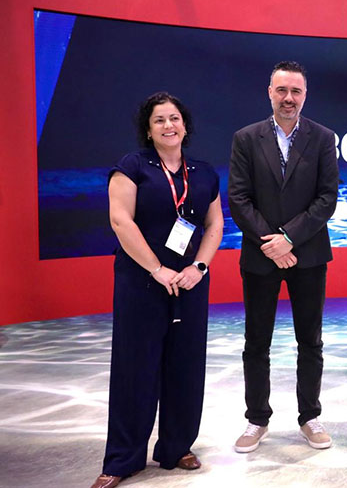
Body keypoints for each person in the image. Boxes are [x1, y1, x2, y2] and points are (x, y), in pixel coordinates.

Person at [93, 92, 223, 488]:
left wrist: (199, 266)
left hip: (189, 284)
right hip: (142, 283)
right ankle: (122, 459)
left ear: (185, 125)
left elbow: (214, 225)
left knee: (185, 367)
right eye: (159, 120)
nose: (169, 125)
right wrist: (158, 269)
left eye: (175, 118)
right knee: (136, 369)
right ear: (148, 131)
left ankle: (176, 446)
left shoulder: (202, 173)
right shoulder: (132, 167)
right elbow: (121, 222)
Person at [228, 61, 339, 452]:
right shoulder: (246, 138)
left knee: (310, 341)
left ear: (305, 95)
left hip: (307, 256)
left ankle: (310, 416)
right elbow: (238, 198)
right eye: (282, 90)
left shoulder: (324, 138)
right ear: (269, 92)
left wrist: (289, 238)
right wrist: (269, 243)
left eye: (296, 91)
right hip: (260, 258)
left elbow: (327, 198)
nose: (288, 98)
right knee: (256, 342)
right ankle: (256, 419)